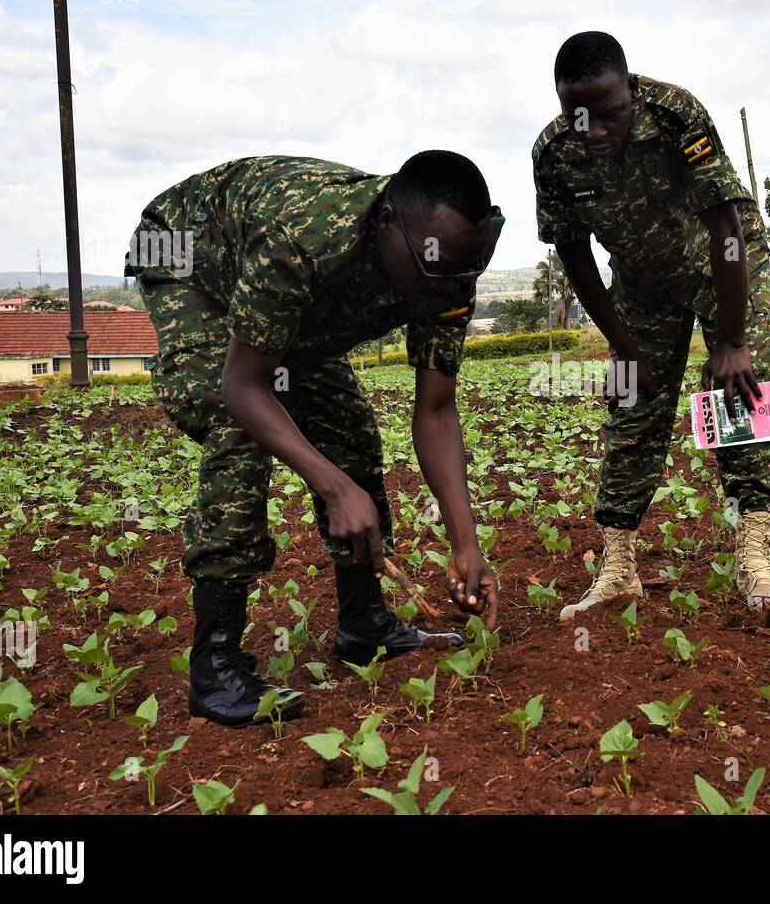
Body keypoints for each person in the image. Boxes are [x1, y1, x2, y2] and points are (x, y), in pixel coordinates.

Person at [127, 151, 502, 726]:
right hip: (192, 262)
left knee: (348, 432)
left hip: (294, 298)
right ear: (385, 225)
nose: (449, 288)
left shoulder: (448, 267)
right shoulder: (298, 238)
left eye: (464, 271)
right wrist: (331, 487)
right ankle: (214, 664)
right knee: (242, 432)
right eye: (436, 270)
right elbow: (244, 385)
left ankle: (363, 623)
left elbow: (435, 411)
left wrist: (466, 543)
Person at [531, 31, 770, 619]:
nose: (593, 130)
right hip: (642, 284)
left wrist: (730, 342)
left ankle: (757, 558)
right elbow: (574, 256)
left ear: (632, 88)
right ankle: (619, 567)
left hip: (722, 262)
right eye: (577, 116)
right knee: (632, 404)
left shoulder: (677, 116)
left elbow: (726, 226)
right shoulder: (552, 155)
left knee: (740, 391)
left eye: (608, 113)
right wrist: (623, 348)